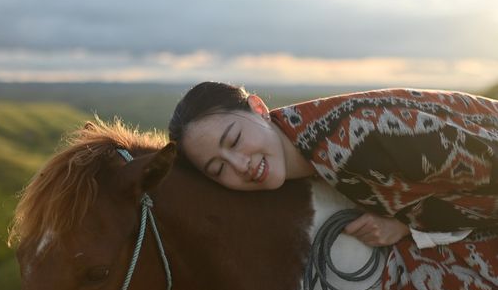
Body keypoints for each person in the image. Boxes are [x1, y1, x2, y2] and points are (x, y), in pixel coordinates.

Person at [168, 81, 498, 248]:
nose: (240, 165)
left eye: (235, 140)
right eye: (218, 169)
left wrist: (407, 226)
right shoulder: (303, 156)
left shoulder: (360, 135)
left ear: (258, 107)